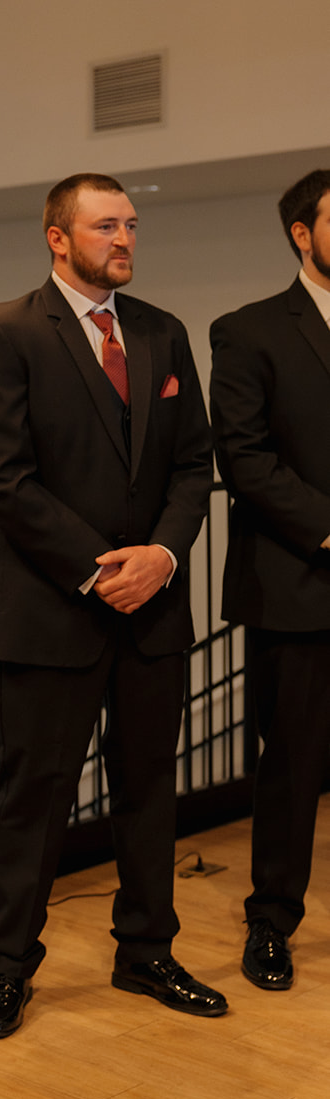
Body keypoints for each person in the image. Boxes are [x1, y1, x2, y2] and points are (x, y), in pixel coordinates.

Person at [0, 172, 226, 1038]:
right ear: (56, 235)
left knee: (150, 786)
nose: (125, 239)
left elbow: (193, 463)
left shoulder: (161, 331)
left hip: (152, 609)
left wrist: (158, 555)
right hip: (54, 614)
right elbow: (2, 478)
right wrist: (97, 566)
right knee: (33, 799)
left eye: (132, 225)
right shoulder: (3, 332)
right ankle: (9, 967)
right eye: (106, 224)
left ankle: (146, 949)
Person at [209, 169, 330, 991]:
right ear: (301, 232)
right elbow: (243, 460)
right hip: (300, 584)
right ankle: (271, 923)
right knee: (290, 765)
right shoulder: (247, 331)